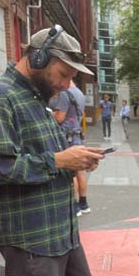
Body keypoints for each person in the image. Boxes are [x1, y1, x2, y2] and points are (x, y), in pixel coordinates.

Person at [0, 26, 124, 276]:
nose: (67, 84)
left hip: (61, 225)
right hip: (30, 231)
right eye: (63, 74)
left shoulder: (36, 97)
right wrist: (58, 161)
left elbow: (45, 154)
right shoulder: (3, 98)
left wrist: (75, 156)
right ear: (37, 59)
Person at [49, 81, 90, 215]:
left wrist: (50, 114)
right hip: (76, 134)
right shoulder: (79, 93)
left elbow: (60, 117)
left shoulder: (65, 93)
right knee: (80, 171)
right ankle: (83, 203)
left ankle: (74, 206)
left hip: (66, 137)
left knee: (69, 170)